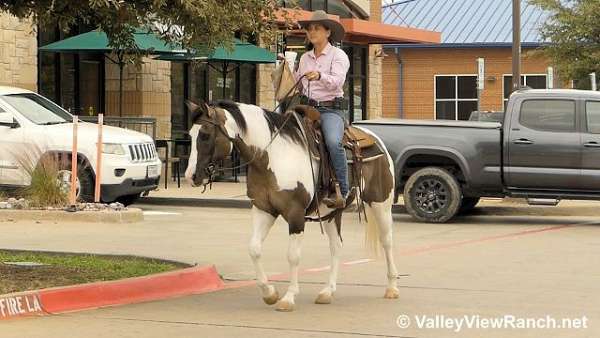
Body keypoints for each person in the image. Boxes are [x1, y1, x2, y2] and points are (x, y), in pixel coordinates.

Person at [295, 10, 350, 209]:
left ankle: (344, 191)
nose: (312, 32)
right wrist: (285, 73)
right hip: (306, 108)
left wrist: (319, 76)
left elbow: (337, 82)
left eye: (316, 28)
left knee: (334, 142)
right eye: (309, 29)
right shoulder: (304, 58)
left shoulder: (338, 56)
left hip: (331, 110)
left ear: (328, 32)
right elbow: (299, 87)